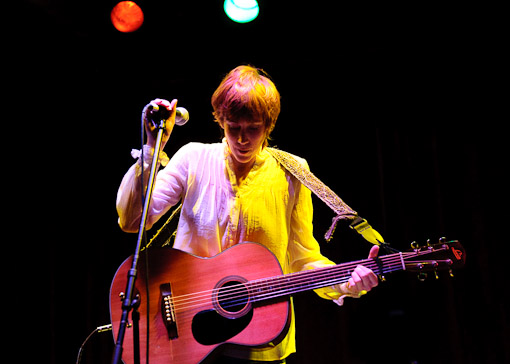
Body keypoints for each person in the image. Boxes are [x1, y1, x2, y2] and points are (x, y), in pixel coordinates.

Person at [116, 65, 379, 363]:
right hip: (189, 338)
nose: (242, 139)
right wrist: (152, 148)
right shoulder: (193, 158)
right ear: (220, 121)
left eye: (252, 128)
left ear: (268, 126)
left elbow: (303, 258)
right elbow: (132, 219)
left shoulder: (292, 173)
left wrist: (347, 282)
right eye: (233, 127)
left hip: (259, 339)